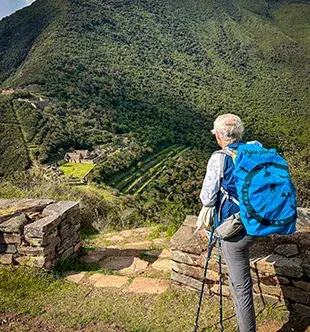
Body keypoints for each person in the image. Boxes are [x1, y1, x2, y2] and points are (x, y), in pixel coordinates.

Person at [197, 114, 256, 332]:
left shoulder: (219, 158)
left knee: (241, 287)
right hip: (261, 220)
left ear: (220, 137)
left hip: (235, 228)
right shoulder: (255, 149)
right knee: (239, 278)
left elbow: (208, 198)